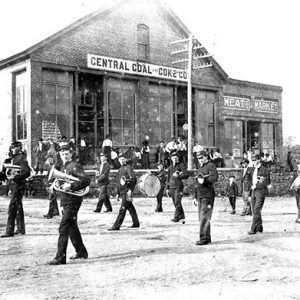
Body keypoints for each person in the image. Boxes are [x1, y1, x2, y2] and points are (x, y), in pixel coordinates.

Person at [49, 144, 90, 265]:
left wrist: (71, 185)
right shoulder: (63, 167)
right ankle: (81, 252)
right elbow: (61, 182)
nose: (64, 156)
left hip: (73, 201)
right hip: (66, 201)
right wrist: (53, 186)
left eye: (67, 154)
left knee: (63, 227)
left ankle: (60, 257)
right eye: (62, 154)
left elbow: (86, 180)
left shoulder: (74, 166)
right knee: (72, 227)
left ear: (70, 154)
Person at [1, 141, 31, 238]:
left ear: (19, 148)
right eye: (12, 148)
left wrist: (15, 177)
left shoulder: (21, 158)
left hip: (18, 185)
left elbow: (27, 172)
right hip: (15, 185)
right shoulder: (13, 159)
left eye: (14, 148)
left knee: (12, 207)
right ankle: (20, 228)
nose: (12, 149)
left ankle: (9, 231)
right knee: (18, 206)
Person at [108, 155, 139, 230]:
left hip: (127, 191)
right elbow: (119, 183)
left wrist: (130, 189)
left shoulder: (128, 167)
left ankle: (116, 226)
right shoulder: (120, 169)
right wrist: (118, 193)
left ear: (125, 159)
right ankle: (136, 223)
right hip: (122, 191)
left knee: (123, 208)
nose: (121, 160)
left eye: (123, 159)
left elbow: (133, 179)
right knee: (130, 207)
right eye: (120, 159)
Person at [194, 150, 218, 245]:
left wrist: (204, 179)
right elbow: (197, 184)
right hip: (200, 195)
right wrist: (196, 197)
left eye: (201, 158)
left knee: (204, 217)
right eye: (198, 158)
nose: (200, 160)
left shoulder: (211, 166)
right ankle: (207, 238)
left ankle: (203, 238)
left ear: (206, 157)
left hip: (207, 194)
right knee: (202, 217)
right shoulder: (200, 168)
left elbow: (214, 177)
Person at [248, 154, 270, 235]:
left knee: (257, 210)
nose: (253, 162)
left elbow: (267, 182)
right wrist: (250, 194)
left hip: (261, 192)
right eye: (252, 160)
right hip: (253, 191)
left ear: (259, 160)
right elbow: (250, 182)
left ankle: (253, 228)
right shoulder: (252, 170)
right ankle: (259, 227)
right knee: (255, 210)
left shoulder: (265, 170)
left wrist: (256, 186)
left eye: (254, 160)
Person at [166, 152, 189, 223]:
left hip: (179, 186)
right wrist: (167, 188)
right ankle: (181, 216)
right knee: (175, 202)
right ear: (171, 159)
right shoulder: (170, 167)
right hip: (171, 187)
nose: (174, 159)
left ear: (178, 159)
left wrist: (179, 176)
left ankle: (176, 218)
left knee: (177, 202)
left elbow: (186, 174)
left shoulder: (181, 165)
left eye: (176, 158)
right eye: (173, 158)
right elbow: (168, 178)